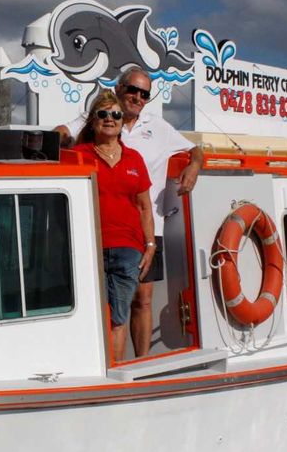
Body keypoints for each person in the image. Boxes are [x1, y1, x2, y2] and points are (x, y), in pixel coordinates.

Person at [56, 67, 204, 357]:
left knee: (143, 300)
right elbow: (63, 132)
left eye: (144, 94)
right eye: (132, 90)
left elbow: (195, 148)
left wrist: (194, 165)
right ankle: (111, 364)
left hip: (149, 229)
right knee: (108, 305)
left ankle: (141, 362)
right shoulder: (101, 117)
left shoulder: (157, 126)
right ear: (119, 87)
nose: (137, 97)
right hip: (106, 232)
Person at [73, 91, 155, 362]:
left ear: (122, 122)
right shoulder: (77, 155)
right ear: (93, 121)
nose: (110, 119)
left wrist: (150, 245)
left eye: (116, 114)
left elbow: (144, 207)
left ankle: (115, 375)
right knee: (96, 317)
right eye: (103, 114)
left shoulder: (135, 159)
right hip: (89, 249)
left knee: (117, 317)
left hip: (127, 249)